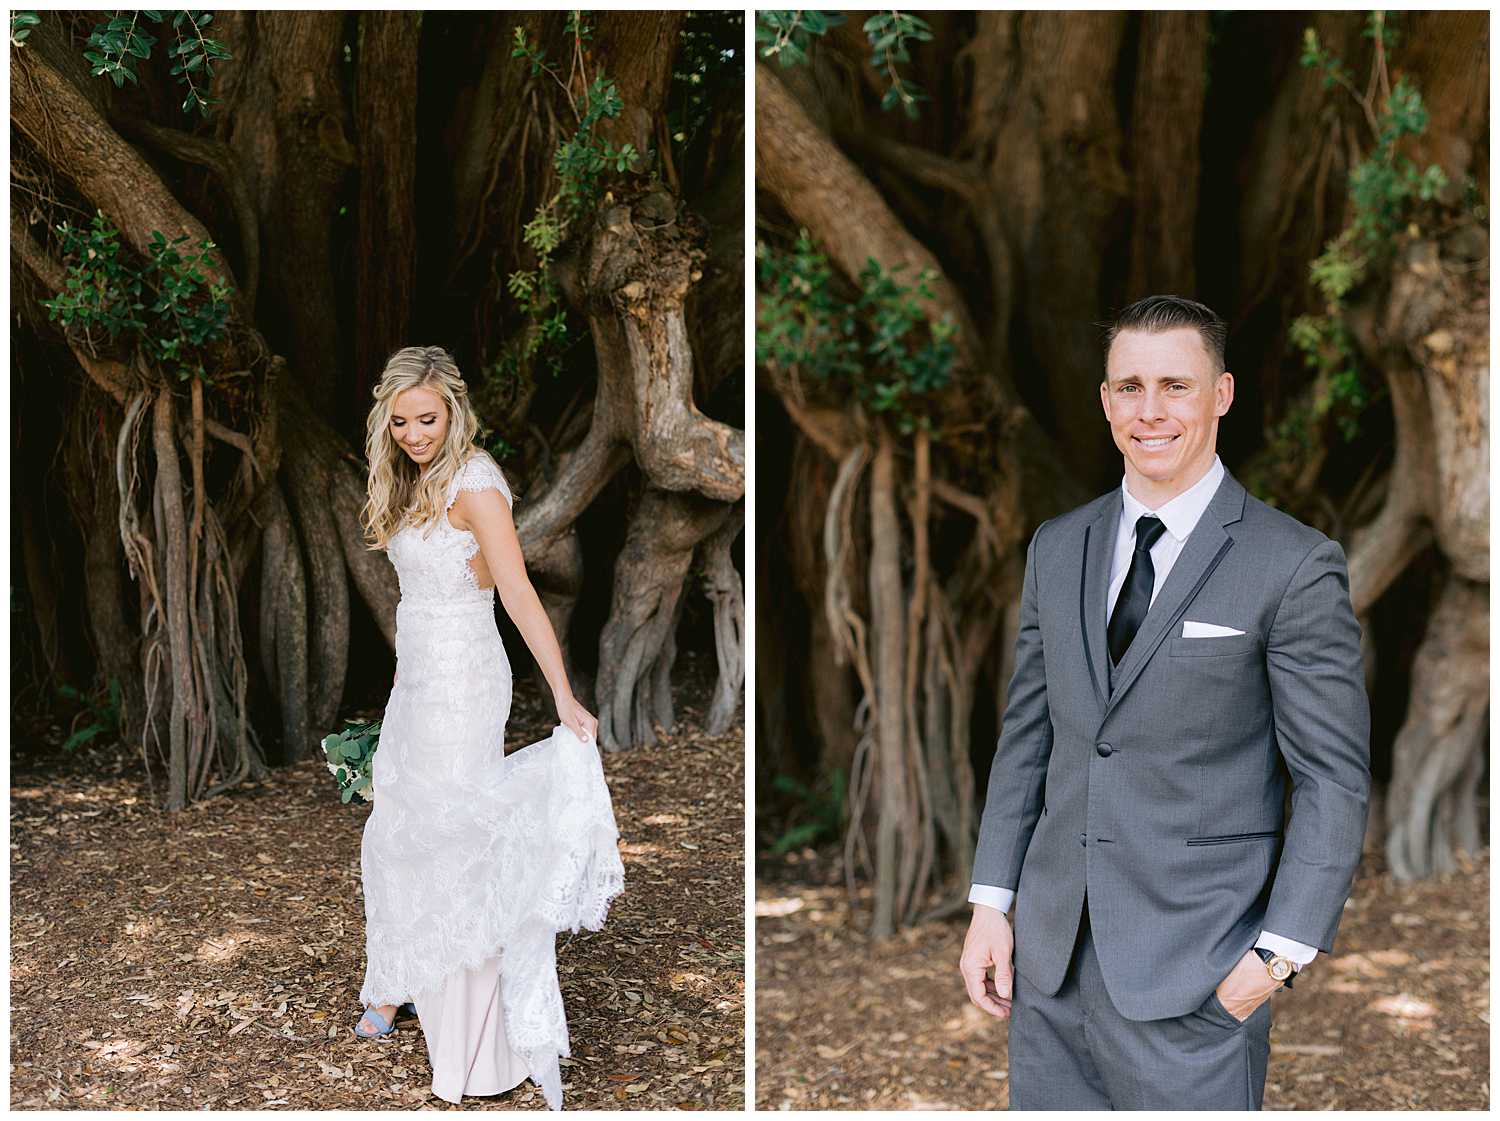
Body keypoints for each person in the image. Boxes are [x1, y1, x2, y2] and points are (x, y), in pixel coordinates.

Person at [959, 296, 1370, 1109]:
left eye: (1175, 386)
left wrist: (1274, 961)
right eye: (1129, 386)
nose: (1150, 411)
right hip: (1047, 970)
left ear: (1220, 393)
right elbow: (1029, 738)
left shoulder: (1293, 564)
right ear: (1106, 400)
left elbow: (1332, 779)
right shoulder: (1058, 545)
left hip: (1200, 977)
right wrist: (991, 903)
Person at [354, 346, 624, 1110]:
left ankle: (476, 1037)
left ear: (454, 411)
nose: (413, 433)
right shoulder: (408, 476)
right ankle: (401, 976)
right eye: (401, 420)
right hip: (419, 679)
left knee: (455, 834)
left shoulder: (476, 484)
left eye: (427, 419)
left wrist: (565, 696)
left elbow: (519, 595)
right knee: (401, 823)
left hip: (467, 680)